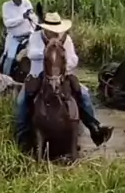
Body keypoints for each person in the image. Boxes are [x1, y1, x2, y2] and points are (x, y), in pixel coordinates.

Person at [16, 12, 114, 148]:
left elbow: (74, 59)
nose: (54, 33)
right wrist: (50, 52)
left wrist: (62, 62)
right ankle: (22, 136)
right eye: (51, 30)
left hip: (62, 74)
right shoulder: (35, 37)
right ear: (45, 29)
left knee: (84, 94)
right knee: (22, 100)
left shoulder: (65, 39)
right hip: (37, 74)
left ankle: (94, 128)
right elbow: (32, 53)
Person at [1, 0, 38, 75]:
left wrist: (33, 28)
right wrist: (22, 17)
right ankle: (6, 76)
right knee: (10, 58)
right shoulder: (6, 6)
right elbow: (7, 23)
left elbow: (33, 17)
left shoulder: (27, 3)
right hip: (14, 37)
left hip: (29, 36)